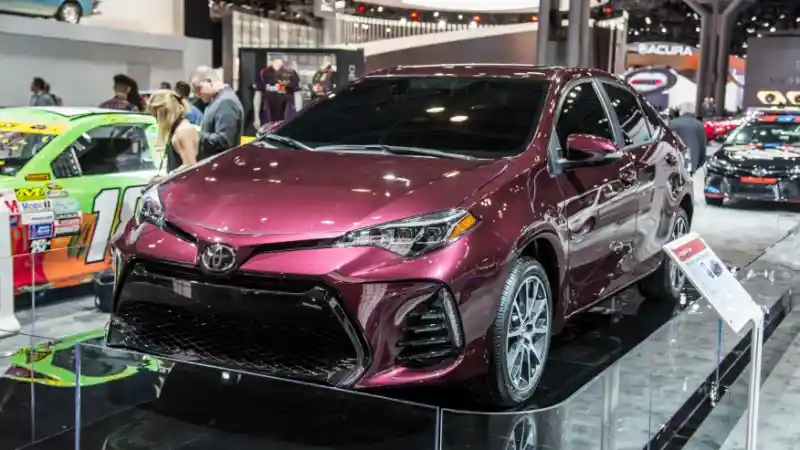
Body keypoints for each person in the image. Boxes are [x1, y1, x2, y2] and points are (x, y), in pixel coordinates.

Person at [191, 66, 244, 159]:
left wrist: (197, 134)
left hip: (223, 163)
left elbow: (224, 141)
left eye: (198, 88)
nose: (197, 94)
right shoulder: (218, 100)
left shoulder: (226, 102)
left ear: (209, 81)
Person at [147, 90, 199, 174]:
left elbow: (190, 166)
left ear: (163, 113)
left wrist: (168, 177)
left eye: (156, 115)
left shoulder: (183, 131)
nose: (156, 120)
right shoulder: (178, 129)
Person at [252, 58, 299, 130]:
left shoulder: (291, 73)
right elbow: (258, 94)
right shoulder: (263, 73)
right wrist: (256, 117)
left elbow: (297, 94)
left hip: (287, 114)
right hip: (268, 114)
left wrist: (298, 115)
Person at [670, 102, 707, 175]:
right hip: (692, 163)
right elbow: (702, 146)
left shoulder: (672, 123)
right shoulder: (699, 125)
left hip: (674, 163)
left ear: (681, 111)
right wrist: (700, 163)